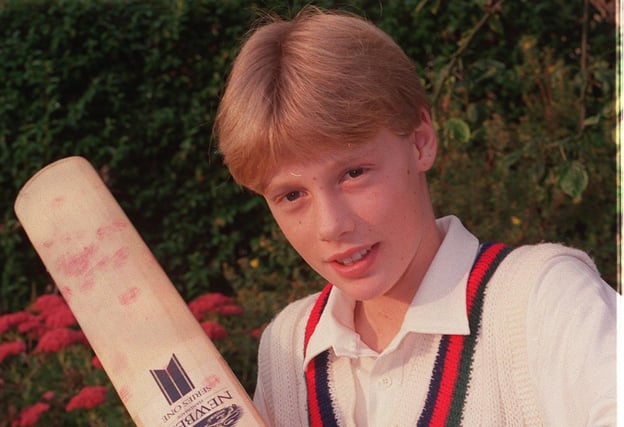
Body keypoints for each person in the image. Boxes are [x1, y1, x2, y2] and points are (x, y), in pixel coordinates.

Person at [213, 6, 617, 426]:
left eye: (354, 173)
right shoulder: (289, 345)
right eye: (292, 194)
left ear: (421, 142)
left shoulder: (542, 300)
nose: (331, 225)